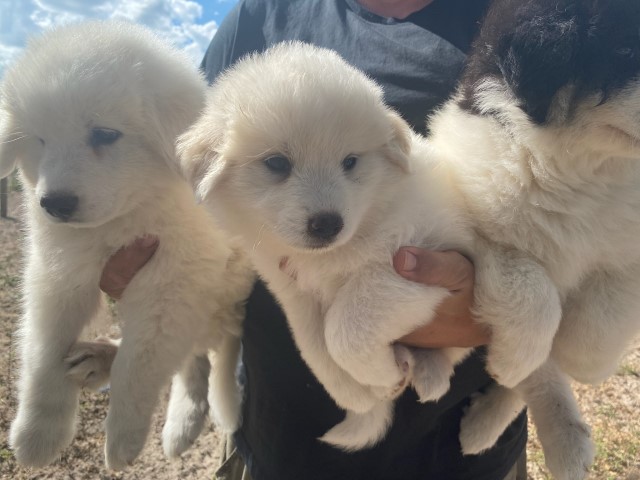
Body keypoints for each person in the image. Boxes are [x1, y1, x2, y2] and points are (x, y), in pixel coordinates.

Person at [101, 1, 528, 478]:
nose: (325, 210)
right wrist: (140, 261)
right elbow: (178, 178)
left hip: (453, 444)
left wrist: (488, 311)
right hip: (281, 434)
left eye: (349, 164)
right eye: (277, 165)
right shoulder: (261, 17)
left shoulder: (520, 18)